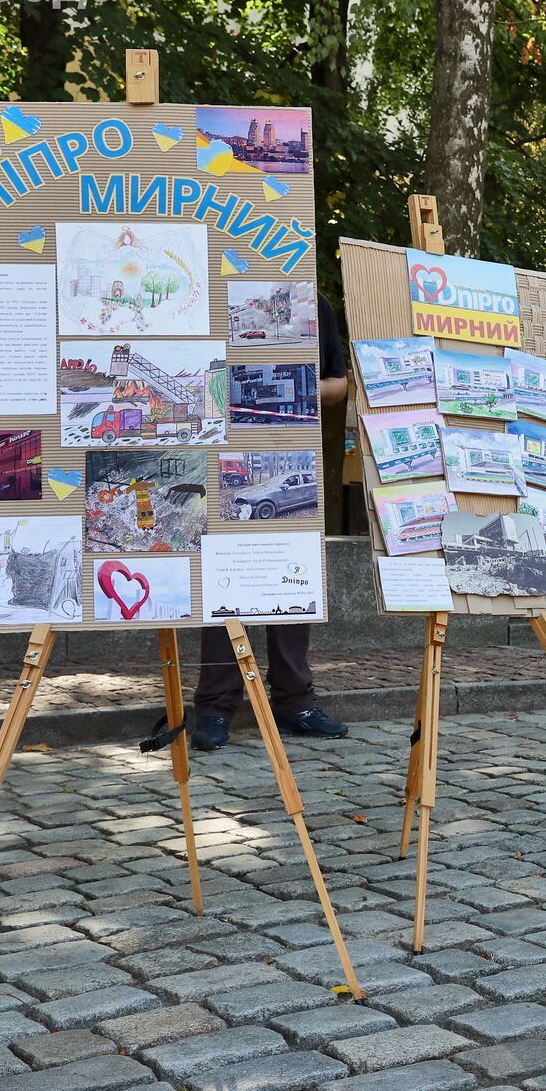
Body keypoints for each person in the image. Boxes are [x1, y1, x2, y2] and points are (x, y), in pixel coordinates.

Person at [189, 291, 352, 748]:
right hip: (220, 453)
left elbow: (338, 383)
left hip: (290, 447)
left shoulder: (316, 302)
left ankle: (295, 702)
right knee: (224, 585)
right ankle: (216, 706)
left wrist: (296, 389)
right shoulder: (211, 296)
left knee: (291, 583)